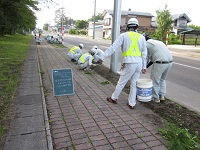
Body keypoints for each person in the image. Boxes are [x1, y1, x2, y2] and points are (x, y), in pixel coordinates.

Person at [100, 18, 147, 109]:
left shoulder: (124, 35)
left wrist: (103, 57)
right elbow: (144, 53)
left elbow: (113, 47)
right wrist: (144, 66)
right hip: (139, 63)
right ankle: (132, 103)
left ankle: (114, 98)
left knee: (122, 82)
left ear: (128, 26)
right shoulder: (142, 37)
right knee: (134, 83)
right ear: (137, 26)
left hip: (130, 62)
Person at [143, 33, 173, 103]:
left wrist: (144, 67)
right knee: (162, 80)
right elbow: (153, 60)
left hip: (160, 63)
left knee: (154, 80)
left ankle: (155, 98)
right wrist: (147, 67)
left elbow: (145, 58)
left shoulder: (146, 44)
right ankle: (162, 96)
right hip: (169, 62)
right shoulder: (158, 42)